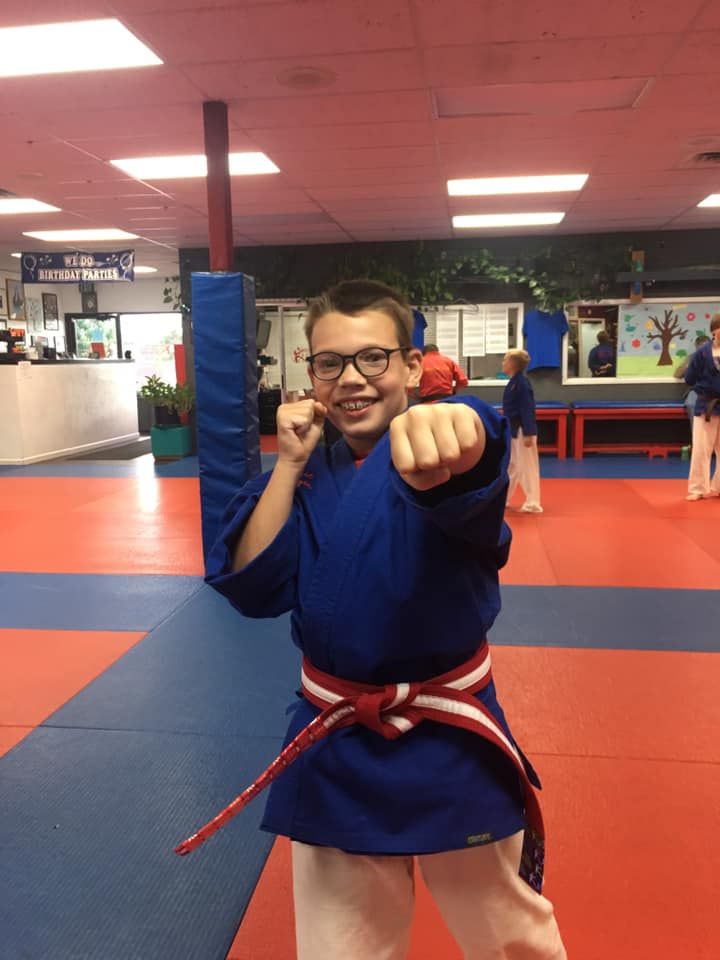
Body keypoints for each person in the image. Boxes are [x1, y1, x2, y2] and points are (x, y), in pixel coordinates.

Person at [183, 280, 566, 960]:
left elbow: (471, 471)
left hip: (449, 737)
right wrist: (288, 461)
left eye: (373, 359)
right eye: (329, 363)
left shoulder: (438, 453)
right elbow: (251, 583)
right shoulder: (305, 474)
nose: (350, 380)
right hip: (340, 739)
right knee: (340, 946)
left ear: (413, 367)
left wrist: (464, 430)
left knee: (509, 933)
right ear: (310, 372)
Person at [502, 348, 543, 514]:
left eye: (505, 360)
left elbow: (527, 409)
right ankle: (502, 498)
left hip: (522, 430)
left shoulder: (522, 384)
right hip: (514, 429)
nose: (503, 363)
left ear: (513, 364)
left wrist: (529, 433)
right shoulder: (514, 382)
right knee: (512, 466)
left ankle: (533, 502)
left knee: (527, 467)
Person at [684, 315, 720, 501]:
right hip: (706, 405)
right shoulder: (701, 354)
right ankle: (698, 488)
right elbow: (689, 379)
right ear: (713, 330)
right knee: (701, 449)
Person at [675, 334, 710, 424]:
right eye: (701, 347)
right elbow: (677, 374)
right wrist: (689, 364)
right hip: (697, 390)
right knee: (691, 403)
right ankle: (697, 434)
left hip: (713, 389)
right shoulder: (692, 358)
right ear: (697, 348)